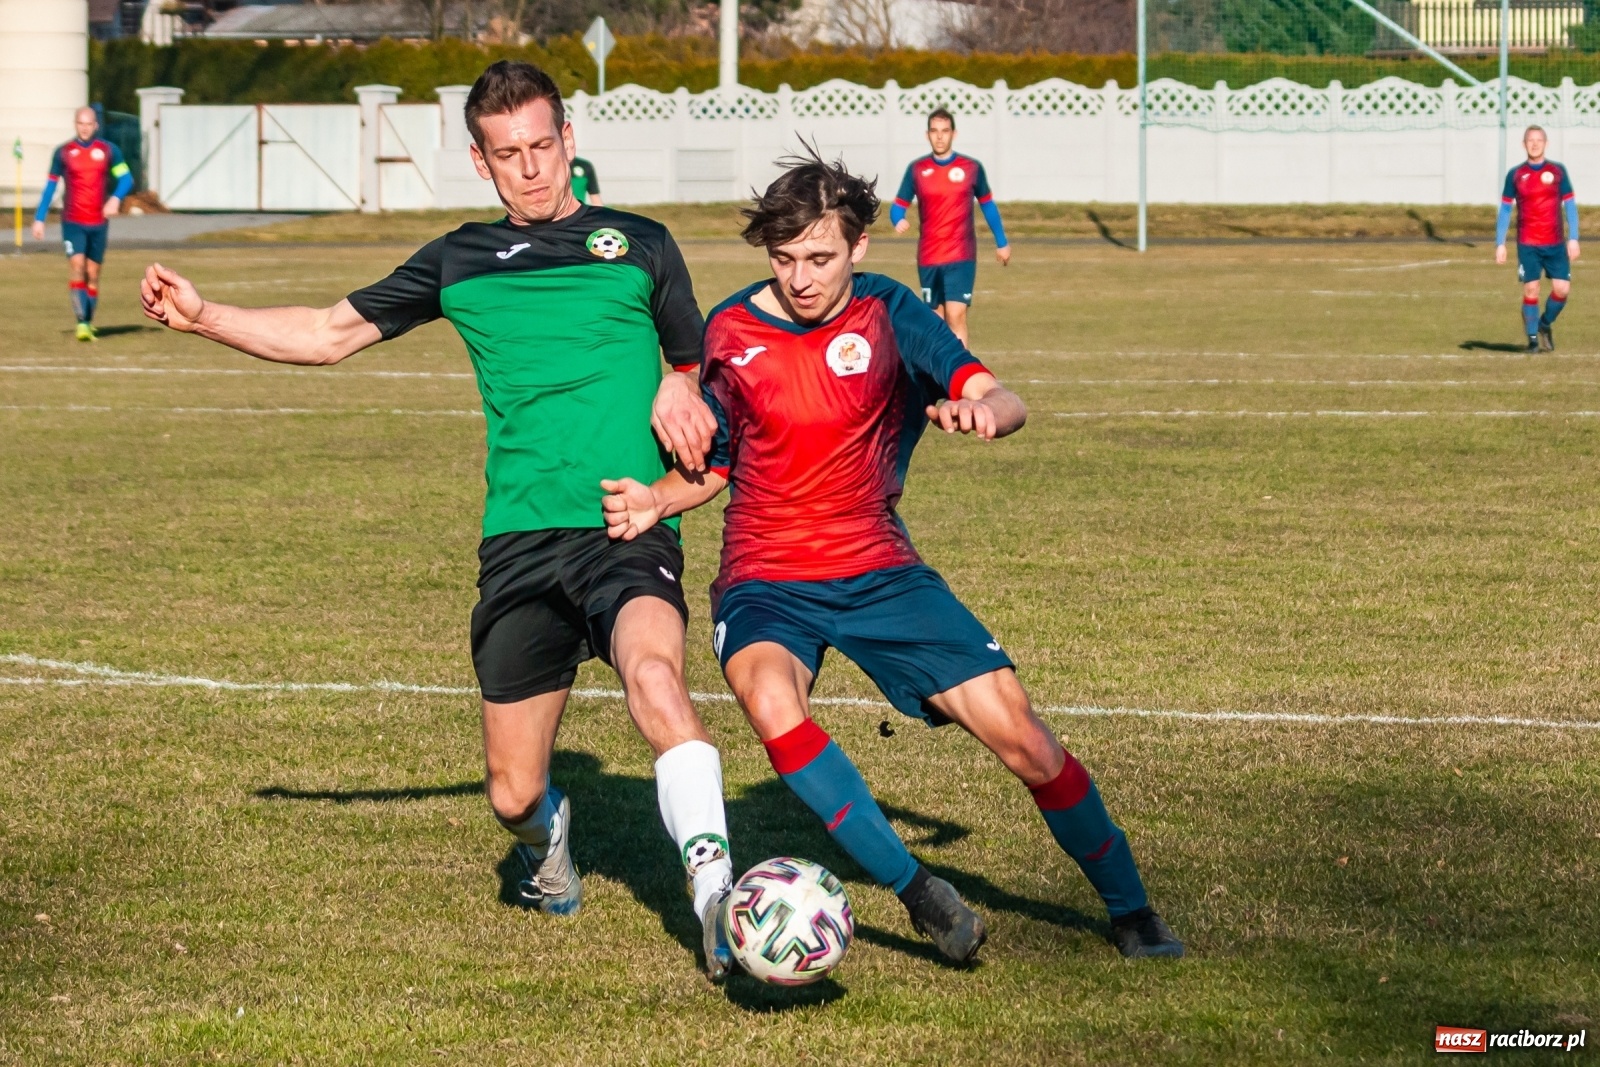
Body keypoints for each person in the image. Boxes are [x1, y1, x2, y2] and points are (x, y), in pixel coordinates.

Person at [139, 61, 742, 981]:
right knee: (510, 792)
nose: (532, 169)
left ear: (569, 142)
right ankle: (548, 836)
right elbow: (326, 335)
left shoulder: (642, 243)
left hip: (627, 522)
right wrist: (204, 316)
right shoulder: (459, 259)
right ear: (481, 161)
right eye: (509, 154)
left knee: (655, 678)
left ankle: (719, 902)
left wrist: (677, 379)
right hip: (519, 543)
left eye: (544, 146)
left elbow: (694, 368)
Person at [601, 151, 1183, 965]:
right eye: (784, 258)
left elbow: (1000, 395)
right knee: (770, 700)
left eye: (820, 258)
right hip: (766, 575)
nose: (801, 277)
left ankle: (1133, 908)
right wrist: (657, 499)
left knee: (1024, 738)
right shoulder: (730, 332)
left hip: (879, 567)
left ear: (860, 245)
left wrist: (985, 415)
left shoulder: (890, 313)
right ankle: (921, 893)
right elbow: (720, 464)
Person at [889, 108, 1009, 346]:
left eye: (945, 131)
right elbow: (897, 206)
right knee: (935, 322)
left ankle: (961, 376)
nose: (940, 136)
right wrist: (898, 219)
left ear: (954, 133)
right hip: (929, 256)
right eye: (934, 131)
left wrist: (1002, 242)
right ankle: (940, 378)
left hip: (961, 254)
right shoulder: (917, 170)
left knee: (956, 315)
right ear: (927, 135)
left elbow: (988, 205)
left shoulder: (971, 168)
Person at [32, 106, 133, 342]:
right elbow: (50, 186)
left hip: (98, 221)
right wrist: (39, 218)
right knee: (77, 265)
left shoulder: (109, 150)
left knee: (93, 273)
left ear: (96, 125)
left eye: (89, 124)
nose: (85, 128)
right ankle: (82, 324)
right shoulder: (63, 153)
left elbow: (126, 178)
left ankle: (88, 319)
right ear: (75, 124)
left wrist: (115, 199)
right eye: (81, 123)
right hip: (72, 221)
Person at [1496, 125, 1579, 353]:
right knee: (1531, 290)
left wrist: (1573, 238)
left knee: (1562, 289)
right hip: (1528, 244)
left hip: (1555, 243)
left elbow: (1570, 205)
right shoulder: (1515, 175)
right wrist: (1500, 243)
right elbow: (1504, 209)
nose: (1534, 144)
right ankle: (1532, 340)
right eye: (1530, 140)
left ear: (1546, 143)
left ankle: (1544, 325)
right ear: (1524, 145)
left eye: (1539, 140)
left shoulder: (1558, 171)